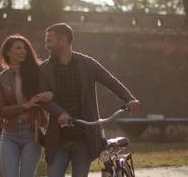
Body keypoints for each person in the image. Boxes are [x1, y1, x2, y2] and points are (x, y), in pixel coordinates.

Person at [38, 23, 141, 177]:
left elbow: (110, 81)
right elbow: (43, 99)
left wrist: (129, 99)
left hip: (84, 139)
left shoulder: (87, 64)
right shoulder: (44, 69)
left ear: (63, 41)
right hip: (58, 140)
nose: (46, 45)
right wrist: (60, 113)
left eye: (49, 41)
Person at [0, 34, 51, 177]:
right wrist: (24, 106)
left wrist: (48, 96)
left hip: (32, 134)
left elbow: (51, 93)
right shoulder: (1, 78)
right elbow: (0, 110)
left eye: (25, 48)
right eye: (18, 48)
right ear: (8, 52)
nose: (23, 51)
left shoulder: (37, 73)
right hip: (9, 135)